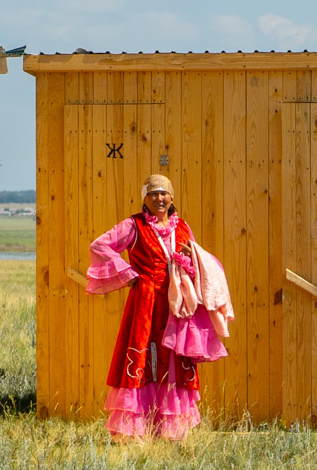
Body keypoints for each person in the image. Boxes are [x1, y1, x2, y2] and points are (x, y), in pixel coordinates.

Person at [84, 174, 226, 439]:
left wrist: (189, 260)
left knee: (173, 358)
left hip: (177, 306)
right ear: (145, 200)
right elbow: (100, 245)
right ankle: (138, 430)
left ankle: (169, 429)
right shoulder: (134, 225)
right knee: (143, 358)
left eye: (164, 194)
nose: (159, 199)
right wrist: (129, 274)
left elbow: (195, 261)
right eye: (153, 194)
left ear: (172, 198)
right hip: (146, 304)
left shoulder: (182, 227)